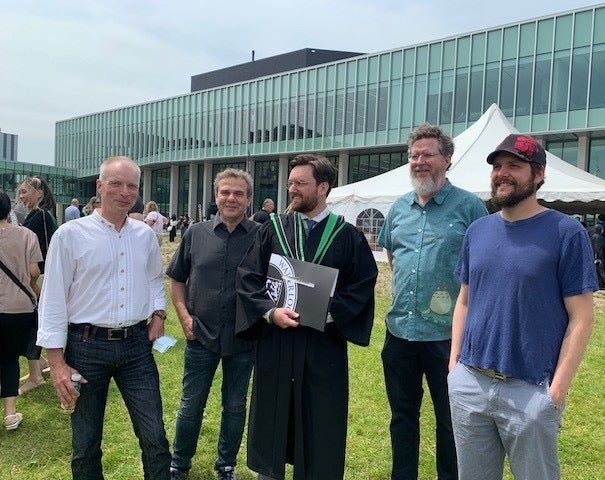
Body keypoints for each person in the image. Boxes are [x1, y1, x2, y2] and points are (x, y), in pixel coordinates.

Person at [448, 134, 597, 480]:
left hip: (531, 390)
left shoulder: (566, 232)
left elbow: (582, 317)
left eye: (514, 166)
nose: (502, 173)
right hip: (471, 384)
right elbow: (465, 300)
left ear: (539, 174)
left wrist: (555, 391)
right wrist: (454, 366)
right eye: (498, 166)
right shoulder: (477, 231)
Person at [236, 154, 378, 480]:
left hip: (321, 349)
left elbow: (361, 286)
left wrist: (325, 313)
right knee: (273, 426)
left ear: (324, 188)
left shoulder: (346, 236)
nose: (292, 190)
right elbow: (247, 278)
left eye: (300, 183)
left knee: (319, 427)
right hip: (277, 344)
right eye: (290, 183)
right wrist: (270, 312)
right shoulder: (272, 229)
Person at [36, 156, 171, 479]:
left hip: (136, 347)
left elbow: (154, 278)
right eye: (116, 184)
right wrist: (56, 363)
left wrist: (160, 312)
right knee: (85, 444)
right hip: (85, 349)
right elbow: (52, 299)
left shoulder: (143, 235)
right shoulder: (70, 235)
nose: (125, 192)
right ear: (99, 186)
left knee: (155, 438)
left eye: (132, 186)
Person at [377, 124, 488, 480]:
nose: (419, 162)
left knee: (450, 421)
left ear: (447, 160)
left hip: (448, 340)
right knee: (402, 417)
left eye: (428, 154)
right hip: (400, 335)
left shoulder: (470, 207)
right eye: (414, 155)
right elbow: (393, 257)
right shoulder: (398, 209)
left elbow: (484, 268)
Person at [167, 169, 259, 480]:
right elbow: (177, 279)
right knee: (191, 404)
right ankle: (179, 462)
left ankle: (226, 465)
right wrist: (183, 316)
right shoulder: (196, 233)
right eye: (225, 192)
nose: (231, 198)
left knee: (235, 406)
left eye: (238, 193)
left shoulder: (262, 235)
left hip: (244, 339)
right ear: (216, 196)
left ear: (248, 198)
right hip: (200, 335)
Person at [0, 190, 42, 430]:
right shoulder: (26, 235)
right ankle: (10, 414)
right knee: (9, 359)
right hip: (19, 307)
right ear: (9, 210)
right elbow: (34, 271)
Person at [17, 175, 58, 395]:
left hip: (37, 278)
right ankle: (39, 364)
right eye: (20, 192)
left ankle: (36, 375)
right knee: (32, 324)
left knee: (32, 325)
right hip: (37, 278)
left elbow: (38, 251)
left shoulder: (40, 215)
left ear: (39, 193)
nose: (22, 196)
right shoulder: (40, 214)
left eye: (25, 191)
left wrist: (33, 282)